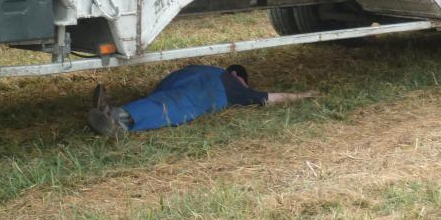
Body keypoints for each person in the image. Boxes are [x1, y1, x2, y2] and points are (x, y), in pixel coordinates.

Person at [88, 63, 317, 136]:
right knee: (173, 107)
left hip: (177, 80)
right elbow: (273, 98)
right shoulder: (236, 86)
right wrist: (302, 96)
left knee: (163, 100)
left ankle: (117, 114)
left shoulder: (206, 67)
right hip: (206, 90)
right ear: (238, 76)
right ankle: (119, 119)